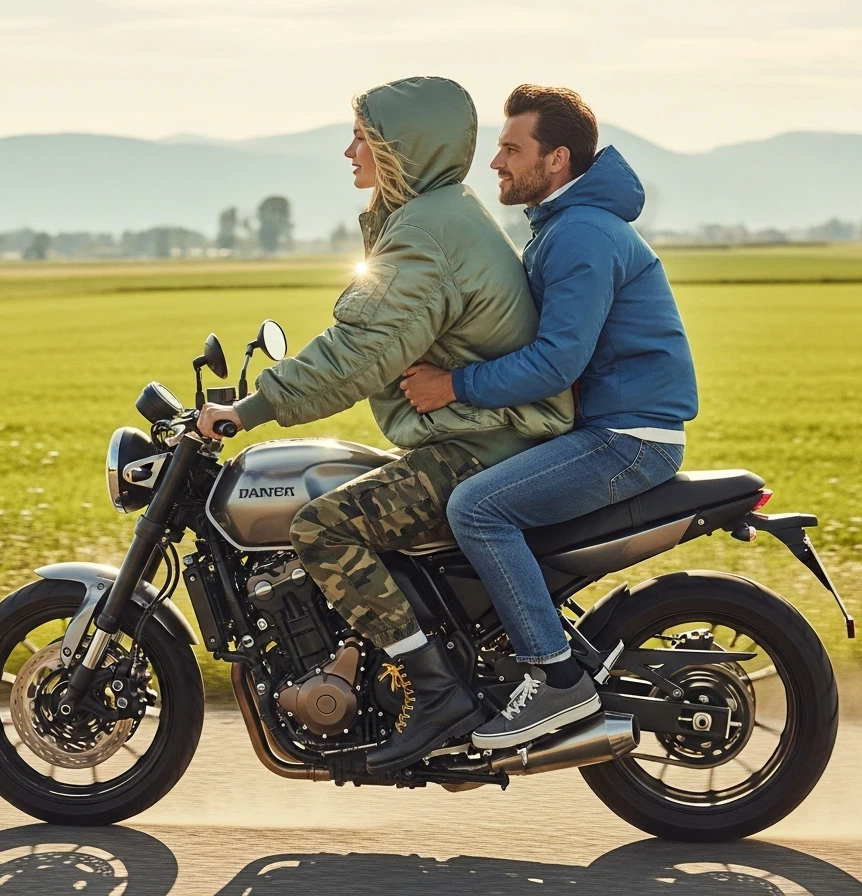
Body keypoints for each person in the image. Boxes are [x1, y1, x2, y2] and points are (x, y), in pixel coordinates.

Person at [197, 76, 573, 771]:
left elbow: (358, 355)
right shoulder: (438, 213)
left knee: (323, 526)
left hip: (479, 446)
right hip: (479, 432)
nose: (348, 151)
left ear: (403, 149)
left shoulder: (427, 233)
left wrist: (247, 411)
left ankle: (436, 695)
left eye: (362, 138)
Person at [400, 84, 698, 750]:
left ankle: (555, 676)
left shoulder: (581, 234)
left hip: (626, 438)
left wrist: (453, 385)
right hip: (607, 429)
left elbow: (556, 363)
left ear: (556, 158)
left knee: (477, 508)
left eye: (511, 148)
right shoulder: (564, 226)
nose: (496, 163)